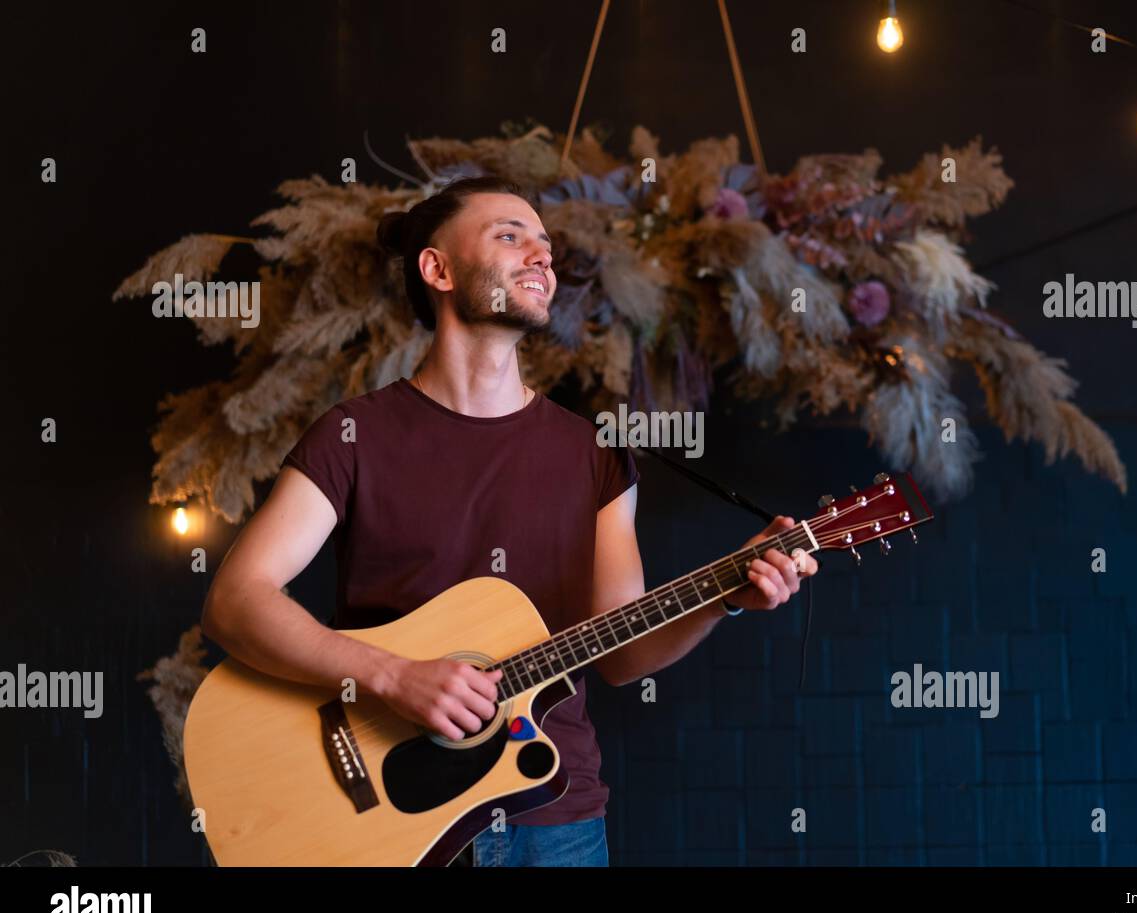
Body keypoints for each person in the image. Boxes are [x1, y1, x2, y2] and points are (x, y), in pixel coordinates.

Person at [199, 175, 818, 867]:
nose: (540, 257)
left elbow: (620, 653)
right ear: (436, 269)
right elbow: (234, 601)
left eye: (545, 246)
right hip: (385, 827)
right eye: (509, 236)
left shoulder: (595, 454)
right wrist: (393, 677)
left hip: (554, 820)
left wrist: (724, 599)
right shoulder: (352, 437)